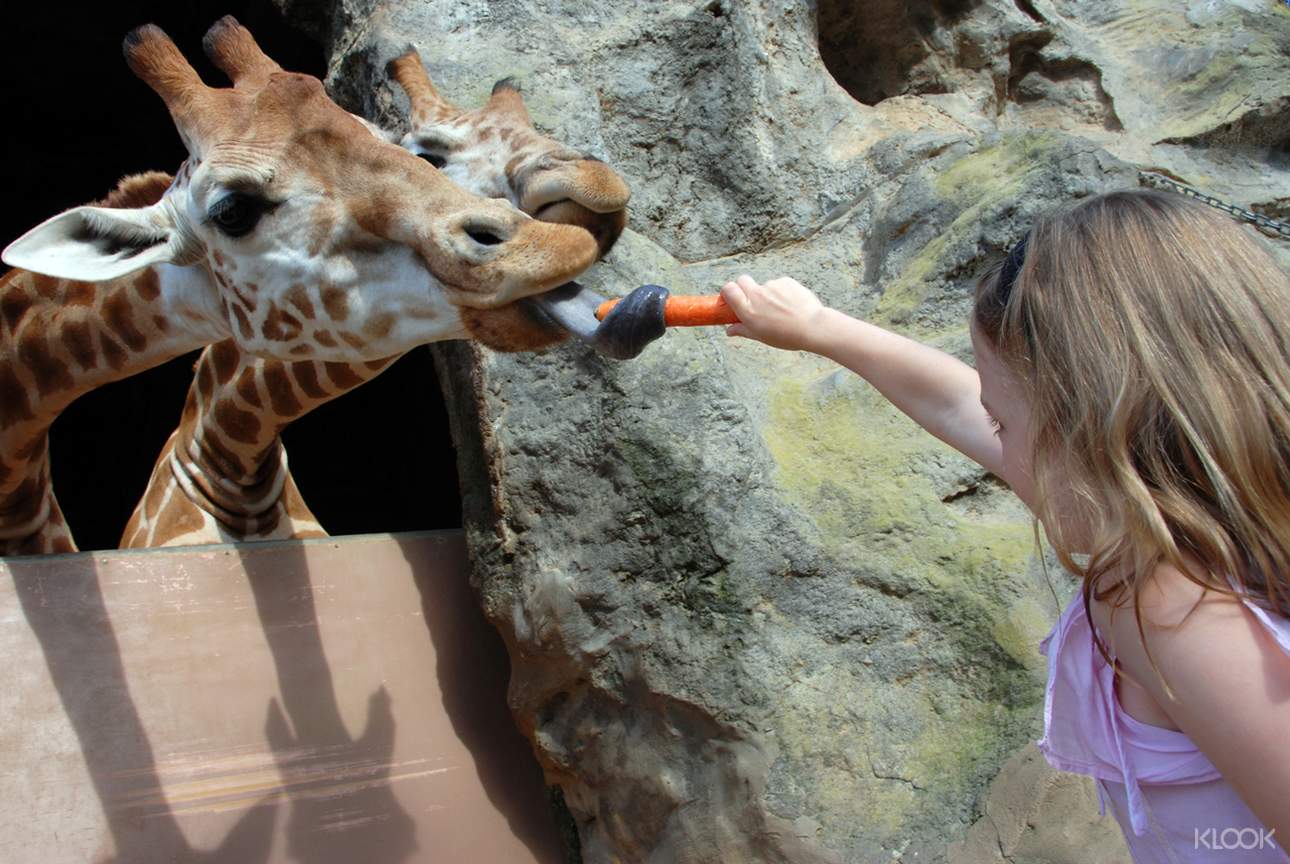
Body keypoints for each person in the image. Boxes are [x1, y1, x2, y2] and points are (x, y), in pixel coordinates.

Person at [720, 189, 1290, 861]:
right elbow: (957, 401)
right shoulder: (1171, 525)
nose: (995, 442)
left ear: (1093, 430)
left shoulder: (1178, 610)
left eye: (1005, 424)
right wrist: (820, 327)